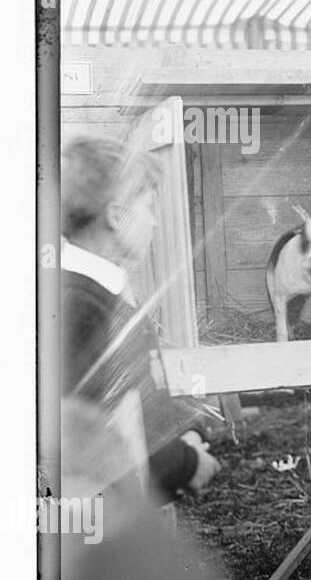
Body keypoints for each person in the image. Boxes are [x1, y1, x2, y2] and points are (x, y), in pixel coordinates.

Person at [60, 134, 220, 502]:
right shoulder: (80, 307)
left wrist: (186, 434)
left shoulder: (96, 294)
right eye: (149, 207)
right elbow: (90, 438)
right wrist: (185, 462)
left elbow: (132, 395)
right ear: (117, 216)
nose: (154, 223)